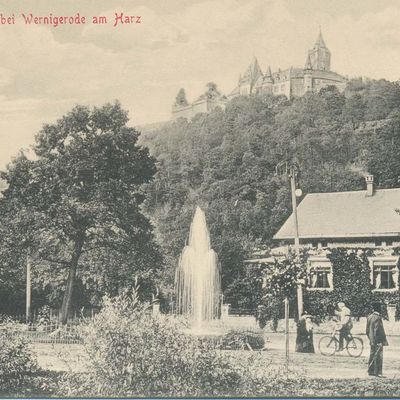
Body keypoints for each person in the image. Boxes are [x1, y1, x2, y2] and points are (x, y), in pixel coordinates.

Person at [366, 302, 388, 377]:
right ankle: (378, 372)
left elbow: (367, 330)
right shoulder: (378, 318)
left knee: (372, 355)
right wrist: (379, 341)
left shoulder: (369, 316)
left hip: (372, 340)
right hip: (377, 340)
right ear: (379, 309)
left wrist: (371, 339)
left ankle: (371, 371)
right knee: (378, 356)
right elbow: (377, 330)